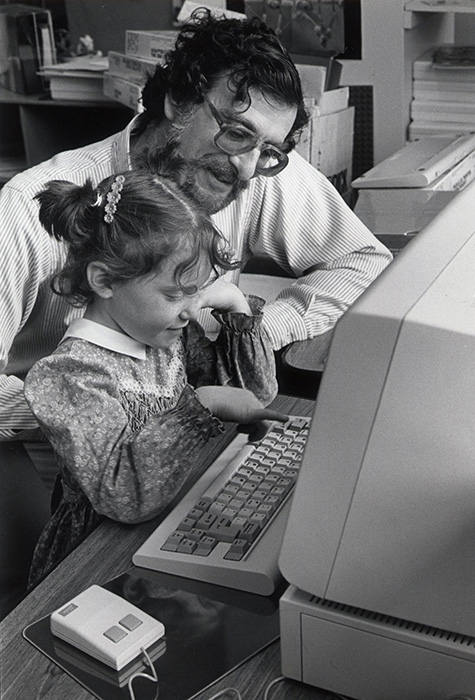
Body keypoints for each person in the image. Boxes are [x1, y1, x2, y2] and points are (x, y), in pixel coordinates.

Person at [0, 8, 392, 440]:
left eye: (268, 150)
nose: (246, 170)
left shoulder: (251, 163)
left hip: (195, 432)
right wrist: (112, 415)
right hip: (69, 465)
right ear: (179, 101)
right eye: (237, 132)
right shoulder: (23, 209)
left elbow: (364, 258)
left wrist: (259, 329)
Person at [24, 168, 286, 587]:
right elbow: (124, 495)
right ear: (105, 280)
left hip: (168, 522)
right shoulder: (70, 376)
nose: (190, 309)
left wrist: (238, 310)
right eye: (174, 294)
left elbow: (253, 394)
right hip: (98, 558)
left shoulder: (163, 333)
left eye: (197, 291)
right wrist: (199, 408)